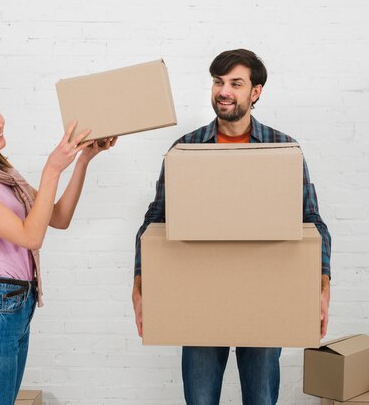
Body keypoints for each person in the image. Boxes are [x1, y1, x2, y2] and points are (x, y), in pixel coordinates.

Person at [132, 49, 332, 405]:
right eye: (218, 82)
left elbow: (312, 221)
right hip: (200, 299)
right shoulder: (186, 148)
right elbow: (155, 219)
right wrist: (139, 281)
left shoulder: (282, 149)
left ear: (255, 92)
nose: (224, 91)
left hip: (265, 298)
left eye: (235, 83)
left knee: (260, 400)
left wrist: (321, 283)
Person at [0, 83, 116, 405]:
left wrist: (84, 159)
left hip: (16, 306)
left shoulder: (2, 173)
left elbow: (58, 217)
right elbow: (30, 237)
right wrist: (51, 168)